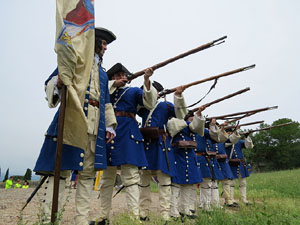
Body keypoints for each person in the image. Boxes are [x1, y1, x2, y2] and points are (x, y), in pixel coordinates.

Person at [33, 27, 117, 225]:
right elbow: (50, 83)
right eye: (103, 44)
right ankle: (48, 220)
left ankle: (81, 221)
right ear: (94, 42)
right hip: (72, 120)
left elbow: (105, 101)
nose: (105, 48)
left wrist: (110, 126)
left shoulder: (104, 75)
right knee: (61, 174)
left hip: (95, 126)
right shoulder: (75, 61)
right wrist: (59, 82)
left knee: (87, 177)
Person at [95, 63, 157, 224]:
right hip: (108, 134)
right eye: (117, 75)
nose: (121, 77)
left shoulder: (134, 91)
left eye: (123, 75)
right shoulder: (105, 90)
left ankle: (133, 218)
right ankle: (103, 216)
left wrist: (147, 79)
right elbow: (98, 92)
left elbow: (149, 103)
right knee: (106, 179)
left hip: (128, 135)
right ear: (111, 78)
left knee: (130, 179)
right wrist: (112, 84)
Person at [137, 84, 188, 223]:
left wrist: (178, 96)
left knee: (165, 182)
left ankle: (165, 214)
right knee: (143, 182)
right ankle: (143, 212)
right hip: (146, 145)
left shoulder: (166, 106)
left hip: (161, 145)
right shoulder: (143, 107)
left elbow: (181, 114)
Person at [168, 107, 205, 220]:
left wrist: (198, 115)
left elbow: (197, 128)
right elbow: (173, 127)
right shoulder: (172, 121)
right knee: (175, 185)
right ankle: (173, 212)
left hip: (189, 157)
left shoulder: (189, 126)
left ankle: (185, 210)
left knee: (188, 185)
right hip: (177, 156)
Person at [195, 119, 227, 210]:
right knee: (205, 183)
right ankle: (203, 204)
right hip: (204, 159)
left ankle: (213, 203)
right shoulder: (203, 134)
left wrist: (222, 128)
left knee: (213, 184)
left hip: (211, 160)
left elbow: (219, 139)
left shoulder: (208, 135)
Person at [225, 128, 254, 205]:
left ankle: (244, 199)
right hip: (231, 163)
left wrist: (247, 137)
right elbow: (229, 142)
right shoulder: (224, 141)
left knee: (243, 182)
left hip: (241, 163)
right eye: (228, 132)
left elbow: (249, 146)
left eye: (231, 132)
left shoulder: (239, 142)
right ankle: (231, 200)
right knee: (231, 183)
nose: (230, 133)